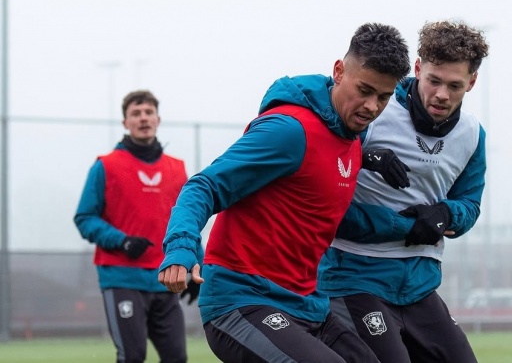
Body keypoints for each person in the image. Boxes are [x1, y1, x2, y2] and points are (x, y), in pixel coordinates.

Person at [157, 22, 411, 363]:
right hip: (241, 302)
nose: (371, 106)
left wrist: (405, 218)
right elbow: (204, 186)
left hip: (308, 306)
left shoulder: (353, 139)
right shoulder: (288, 130)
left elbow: (323, 204)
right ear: (339, 71)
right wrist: (181, 248)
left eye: (383, 96)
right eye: (364, 90)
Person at [318, 20, 488, 363]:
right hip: (354, 277)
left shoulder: (472, 134)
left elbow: (469, 204)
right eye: (433, 81)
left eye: (454, 85)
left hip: (419, 283)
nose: (441, 94)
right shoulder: (374, 112)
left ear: (471, 83)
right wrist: (363, 158)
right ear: (417, 69)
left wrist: (445, 215)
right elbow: (325, 197)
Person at [74, 90, 198, 363]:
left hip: (165, 279)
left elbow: (188, 221)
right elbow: (84, 218)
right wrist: (122, 240)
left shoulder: (177, 170)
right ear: (125, 123)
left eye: (148, 112)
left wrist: (192, 266)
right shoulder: (105, 166)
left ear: (158, 119)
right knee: (132, 356)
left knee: (177, 357)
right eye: (136, 113)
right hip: (122, 279)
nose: (143, 118)